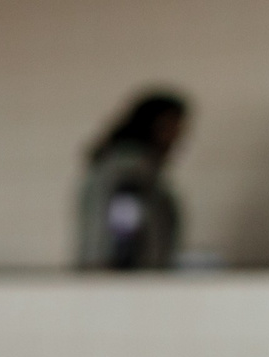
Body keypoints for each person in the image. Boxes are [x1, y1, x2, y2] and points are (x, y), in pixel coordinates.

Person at [77, 90, 189, 270]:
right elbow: (123, 231)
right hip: (123, 283)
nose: (177, 137)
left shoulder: (122, 164)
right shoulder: (130, 168)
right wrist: (129, 280)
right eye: (173, 127)